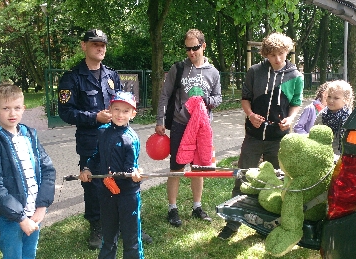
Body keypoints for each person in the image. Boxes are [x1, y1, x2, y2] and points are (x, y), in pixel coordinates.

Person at [58, 28, 155, 249]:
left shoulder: (111, 75)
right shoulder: (72, 78)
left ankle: (124, 224)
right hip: (90, 140)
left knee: (121, 177)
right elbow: (66, 112)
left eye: (103, 44)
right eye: (94, 44)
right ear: (84, 46)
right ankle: (97, 225)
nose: (100, 47)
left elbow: (123, 103)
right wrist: (94, 117)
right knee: (93, 183)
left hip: (117, 138)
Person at [217, 32, 304, 240]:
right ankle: (232, 223)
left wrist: (290, 119)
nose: (277, 59)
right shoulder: (254, 72)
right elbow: (245, 98)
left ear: (287, 52)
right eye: (272, 54)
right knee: (243, 177)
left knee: (276, 182)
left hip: (279, 139)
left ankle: (267, 225)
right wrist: (250, 114)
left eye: (281, 54)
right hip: (254, 137)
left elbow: (296, 103)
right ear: (266, 54)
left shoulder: (295, 76)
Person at [0, 83, 56, 259]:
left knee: (29, 253)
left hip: (34, 212)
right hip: (11, 218)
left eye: (17, 107)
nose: (12, 113)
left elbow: (48, 169)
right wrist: (21, 218)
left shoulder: (30, 135)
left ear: (23, 108)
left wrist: (42, 206)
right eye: (5, 108)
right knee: (13, 255)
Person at [155, 29, 222, 227]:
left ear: (203, 46)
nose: (191, 53)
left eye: (195, 48)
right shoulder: (178, 68)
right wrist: (160, 120)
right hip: (180, 125)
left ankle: (197, 207)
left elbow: (218, 99)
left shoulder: (213, 72)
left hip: (202, 128)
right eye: (187, 49)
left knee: (198, 168)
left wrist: (205, 100)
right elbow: (165, 96)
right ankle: (172, 209)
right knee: (176, 168)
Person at [80, 91, 144, 259]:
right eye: (116, 109)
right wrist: (87, 169)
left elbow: (131, 167)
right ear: (110, 109)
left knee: (131, 236)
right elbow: (95, 156)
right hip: (106, 192)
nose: (120, 114)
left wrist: (135, 174)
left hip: (128, 194)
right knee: (108, 234)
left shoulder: (131, 139)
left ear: (133, 114)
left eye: (125, 111)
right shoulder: (102, 132)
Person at [315, 80, 354, 155]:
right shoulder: (322, 115)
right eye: (329, 96)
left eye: (336, 98)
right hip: (321, 154)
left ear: (346, 100)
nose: (331, 100)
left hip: (342, 156)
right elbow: (313, 132)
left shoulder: (349, 118)